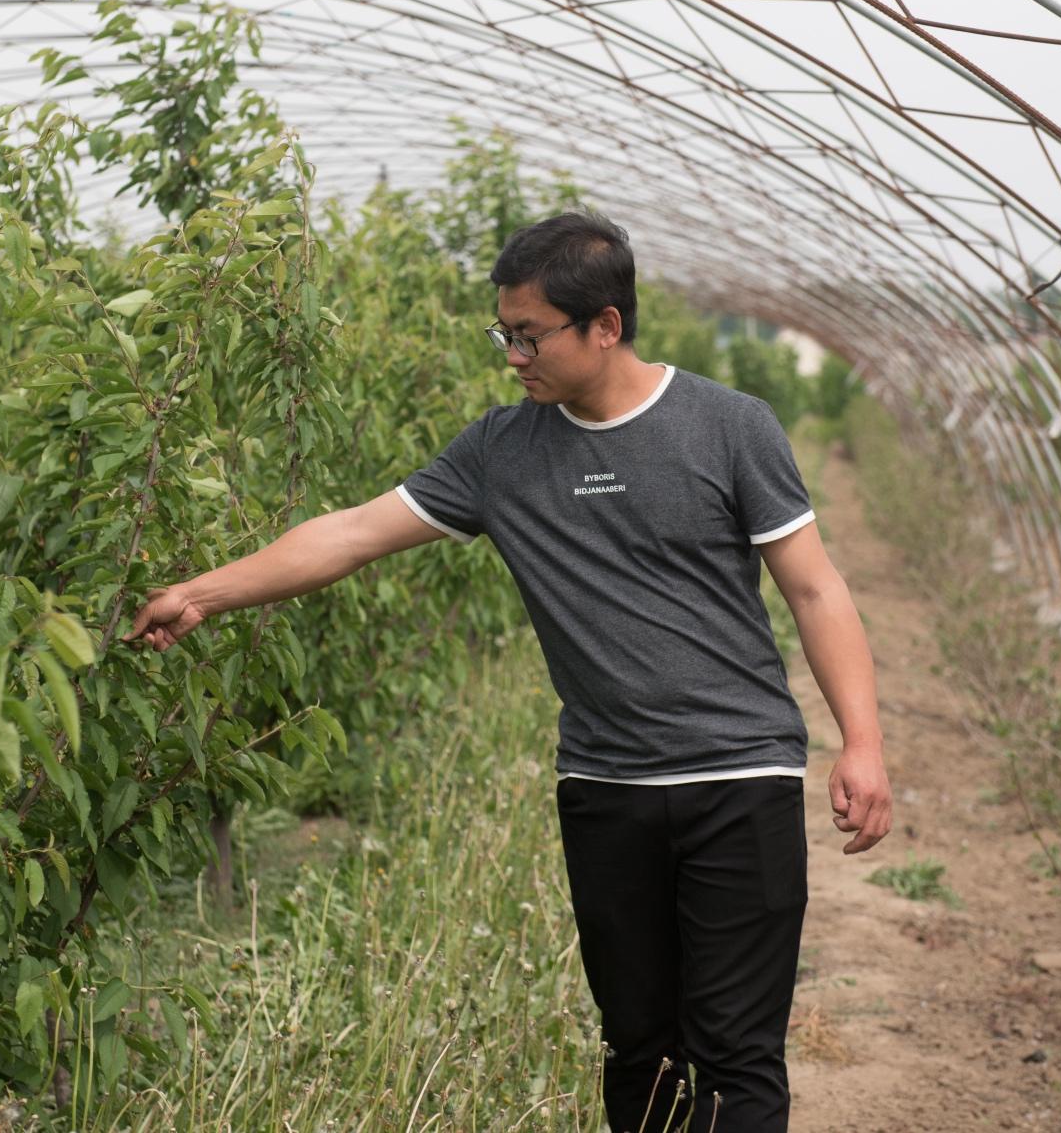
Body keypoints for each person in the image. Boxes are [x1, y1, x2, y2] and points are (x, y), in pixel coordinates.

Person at [125, 210, 892, 1131]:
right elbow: (354, 533)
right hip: (606, 787)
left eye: (528, 336)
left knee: (735, 1057)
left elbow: (813, 589)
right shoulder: (500, 452)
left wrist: (863, 744)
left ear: (605, 325)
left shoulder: (729, 427)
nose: (512, 356)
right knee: (639, 1046)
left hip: (740, 777)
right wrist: (204, 594)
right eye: (505, 333)